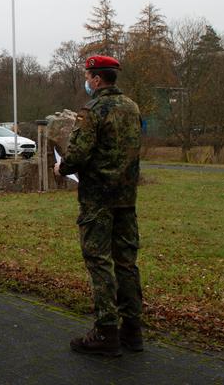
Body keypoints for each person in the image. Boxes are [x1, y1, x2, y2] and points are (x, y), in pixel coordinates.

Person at [54, 55, 144, 357]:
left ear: (95, 79)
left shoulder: (91, 111)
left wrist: (61, 168)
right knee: (126, 262)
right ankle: (132, 331)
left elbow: (78, 153)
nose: (87, 81)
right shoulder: (132, 107)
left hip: (97, 200)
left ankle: (106, 332)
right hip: (126, 198)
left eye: (87, 76)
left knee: (99, 261)